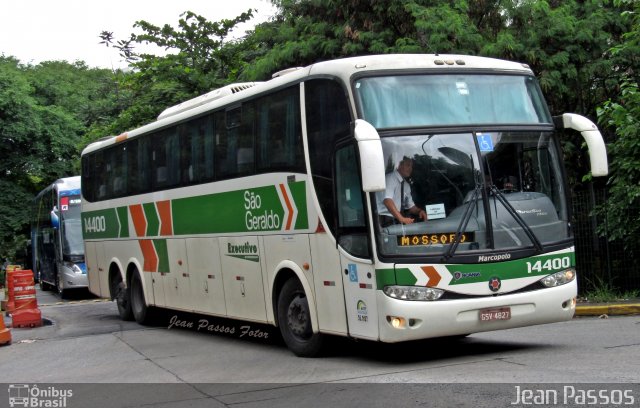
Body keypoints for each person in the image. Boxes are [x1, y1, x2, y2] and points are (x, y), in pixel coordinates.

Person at [377, 156, 427, 227]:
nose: (410, 169)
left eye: (411, 166)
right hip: (384, 219)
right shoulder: (390, 178)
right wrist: (401, 218)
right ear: (399, 165)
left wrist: (420, 211)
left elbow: (411, 206)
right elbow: (387, 201)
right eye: (408, 165)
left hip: (396, 219)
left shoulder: (406, 185)